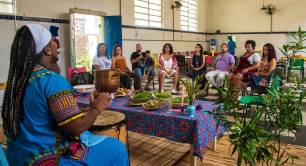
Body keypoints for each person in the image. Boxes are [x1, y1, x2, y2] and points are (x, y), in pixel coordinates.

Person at [2, 24, 129, 165]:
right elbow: (76, 128)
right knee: (116, 147)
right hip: (47, 160)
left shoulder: (17, 81)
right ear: (47, 50)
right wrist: (96, 109)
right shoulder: (52, 81)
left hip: (18, 157)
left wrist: (88, 109)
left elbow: (43, 116)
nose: (56, 45)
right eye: (52, 41)